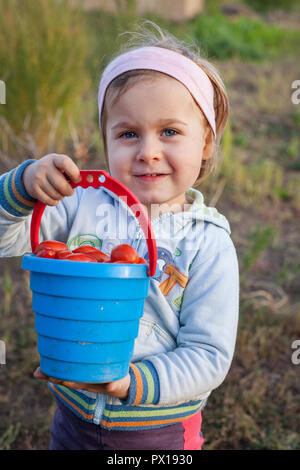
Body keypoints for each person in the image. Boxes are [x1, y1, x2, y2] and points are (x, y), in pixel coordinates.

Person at [0, 21, 239, 450]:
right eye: (128, 133)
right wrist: (22, 187)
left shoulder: (208, 241)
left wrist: (130, 383)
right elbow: (5, 238)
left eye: (170, 131)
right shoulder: (79, 205)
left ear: (206, 141)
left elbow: (209, 355)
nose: (147, 150)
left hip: (158, 431)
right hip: (73, 419)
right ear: (107, 141)